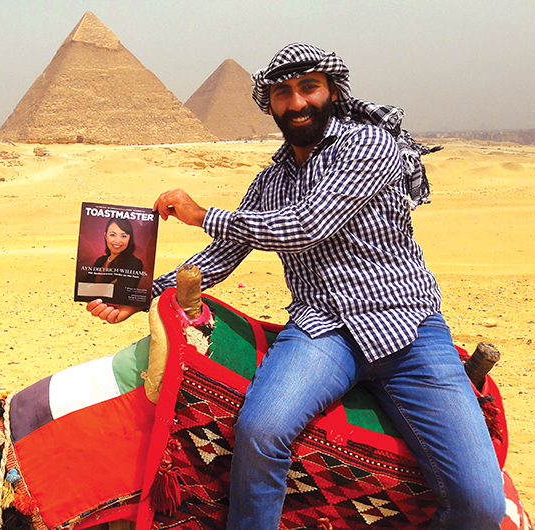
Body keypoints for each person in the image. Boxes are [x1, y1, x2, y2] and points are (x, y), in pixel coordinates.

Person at [86, 43, 505, 529]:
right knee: (262, 430)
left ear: (332, 91)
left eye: (309, 87)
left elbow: (307, 224)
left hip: (408, 327)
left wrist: (203, 215)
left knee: (479, 503)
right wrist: (138, 295)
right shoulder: (270, 181)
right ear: (270, 103)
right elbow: (222, 255)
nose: (297, 102)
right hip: (322, 330)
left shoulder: (371, 145)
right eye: (282, 92)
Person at [80, 217, 144, 305]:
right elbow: (82, 289)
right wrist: (110, 287)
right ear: (106, 236)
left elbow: (121, 296)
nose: (117, 241)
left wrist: (92, 288)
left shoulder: (134, 263)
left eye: (124, 236)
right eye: (113, 235)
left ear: (130, 238)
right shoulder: (101, 260)